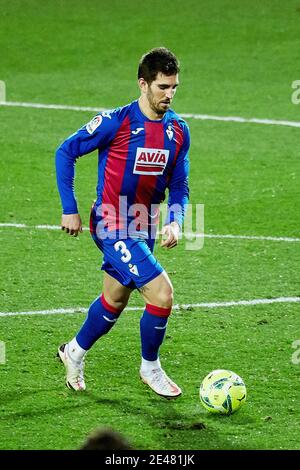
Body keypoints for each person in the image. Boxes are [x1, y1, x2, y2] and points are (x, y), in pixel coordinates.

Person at [55, 47, 190, 399]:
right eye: (162, 87)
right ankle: (151, 367)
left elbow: (179, 185)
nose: (169, 94)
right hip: (112, 222)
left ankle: (74, 352)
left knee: (114, 299)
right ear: (143, 84)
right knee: (162, 294)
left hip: (145, 224)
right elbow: (65, 151)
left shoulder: (178, 132)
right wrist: (69, 208)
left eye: (174, 87)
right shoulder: (117, 122)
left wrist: (175, 221)